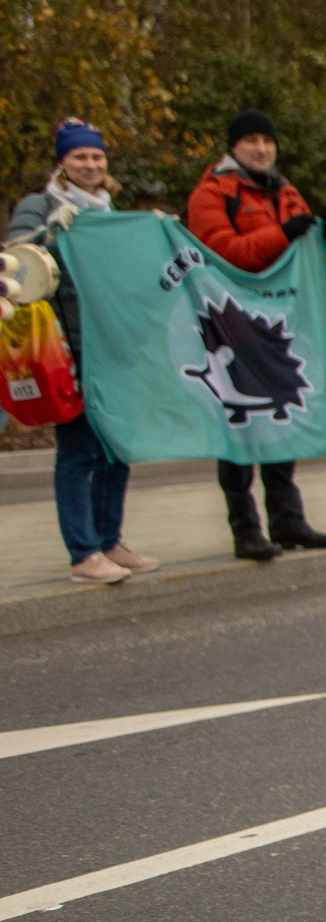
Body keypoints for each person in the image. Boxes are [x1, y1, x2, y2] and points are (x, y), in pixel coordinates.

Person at [190, 110, 326, 557]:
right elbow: (221, 255)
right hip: (229, 327)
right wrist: (282, 235)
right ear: (233, 146)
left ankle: (288, 522)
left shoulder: (287, 192)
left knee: (281, 421)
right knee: (237, 426)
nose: (261, 148)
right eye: (251, 140)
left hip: (278, 327)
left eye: (268, 141)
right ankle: (245, 530)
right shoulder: (211, 194)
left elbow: (315, 271)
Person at [14, 120, 159, 583]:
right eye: (80, 157)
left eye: (97, 157)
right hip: (68, 349)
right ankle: (84, 552)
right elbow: (13, 263)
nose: (91, 165)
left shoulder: (110, 211)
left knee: (116, 450)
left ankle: (109, 539)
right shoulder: (40, 207)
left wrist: (153, 236)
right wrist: (47, 235)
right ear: (62, 161)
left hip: (113, 346)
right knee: (78, 452)